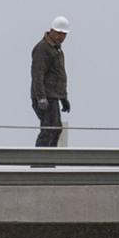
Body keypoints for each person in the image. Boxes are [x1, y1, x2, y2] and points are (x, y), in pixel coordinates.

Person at [31, 16, 71, 147]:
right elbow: (38, 74)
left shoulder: (57, 50)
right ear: (51, 31)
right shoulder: (43, 48)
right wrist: (41, 97)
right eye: (59, 33)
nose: (61, 37)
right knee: (49, 129)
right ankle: (40, 163)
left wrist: (63, 98)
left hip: (53, 97)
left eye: (64, 34)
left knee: (56, 129)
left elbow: (59, 76)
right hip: (45, 97)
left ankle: (49, 160)